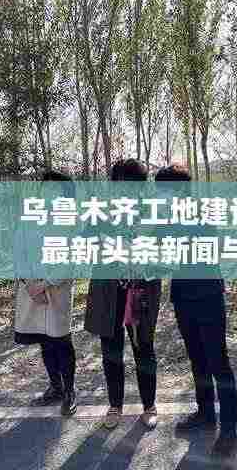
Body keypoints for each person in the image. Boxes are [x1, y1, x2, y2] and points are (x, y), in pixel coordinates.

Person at [155, 164, 237, 458]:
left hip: (207, 297)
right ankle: (206, 413)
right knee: (197, 360)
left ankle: (229, 428)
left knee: (218, 362)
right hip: (183, 297)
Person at [84, 158, 162, 430]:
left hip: (142, 291)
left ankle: (149, 405)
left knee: (144, 348)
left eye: (134, 185)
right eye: (121, 184)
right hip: (109, 292)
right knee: (111, 350)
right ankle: (115, 405)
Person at [14, 170, 77, 416]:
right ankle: (55, 386)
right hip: (31, 292)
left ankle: (70, 391)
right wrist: (30, 283)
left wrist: (43, 284)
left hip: (56, 292)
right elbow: (19, 252)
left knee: (61, 341)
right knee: (44, 341)